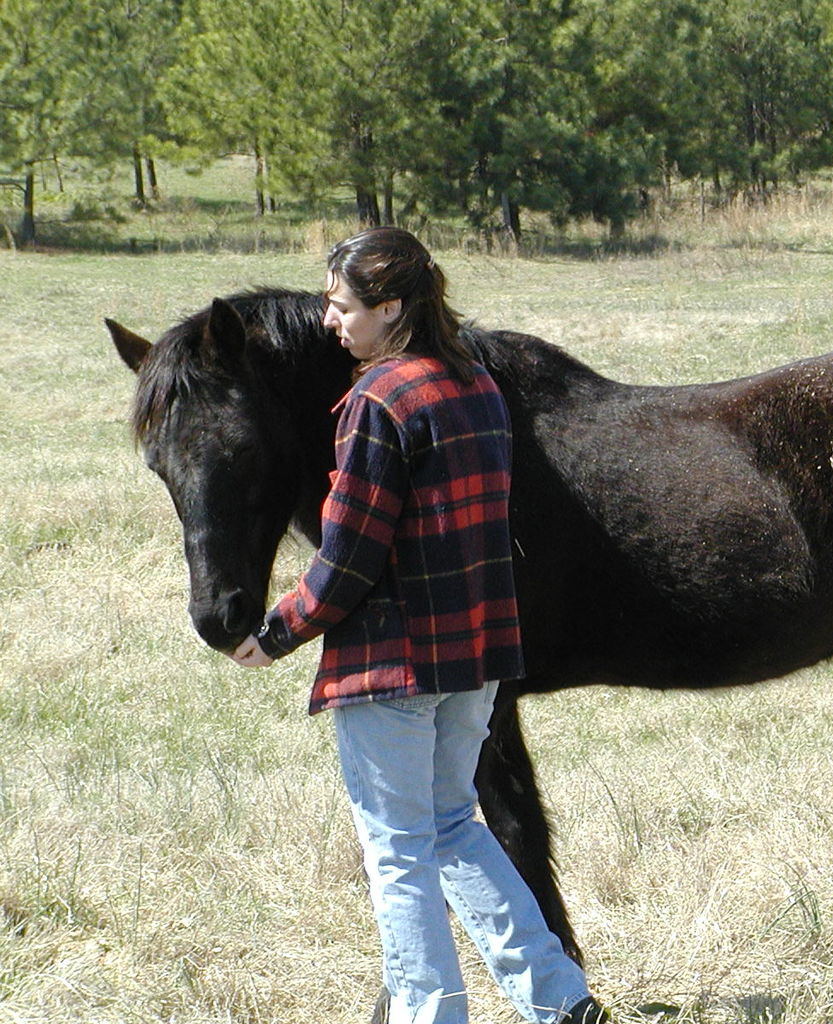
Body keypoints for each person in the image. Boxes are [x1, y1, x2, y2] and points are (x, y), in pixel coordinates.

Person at [230, 227, 606, 1024]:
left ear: (390, 308)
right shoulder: (475, 386)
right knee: (451, 826)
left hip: (391, 667)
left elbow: (349, 559)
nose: (331, 322)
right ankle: (560, 1000)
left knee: (397, 853)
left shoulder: (377, 401)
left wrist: (276, 634)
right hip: (475, 657)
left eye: (342, 307)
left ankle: (429, 1015)